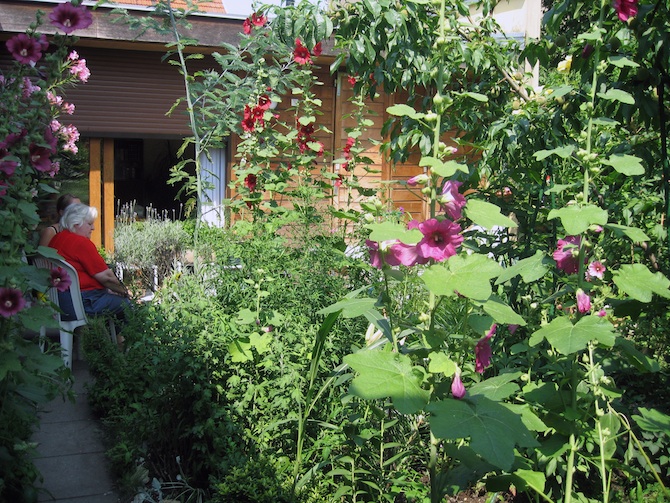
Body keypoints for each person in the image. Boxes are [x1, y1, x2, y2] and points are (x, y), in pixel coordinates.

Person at [49, 203, 131, 319]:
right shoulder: (80, 243)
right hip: (79, 303)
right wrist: (124, 291)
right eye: (89, 224)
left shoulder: (56, 239)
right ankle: (123, 337)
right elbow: (107, 277)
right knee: (125, 304)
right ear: (76, 223)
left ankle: (113, 337)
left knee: (112, 298)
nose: (93, 228)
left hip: (58, 301)